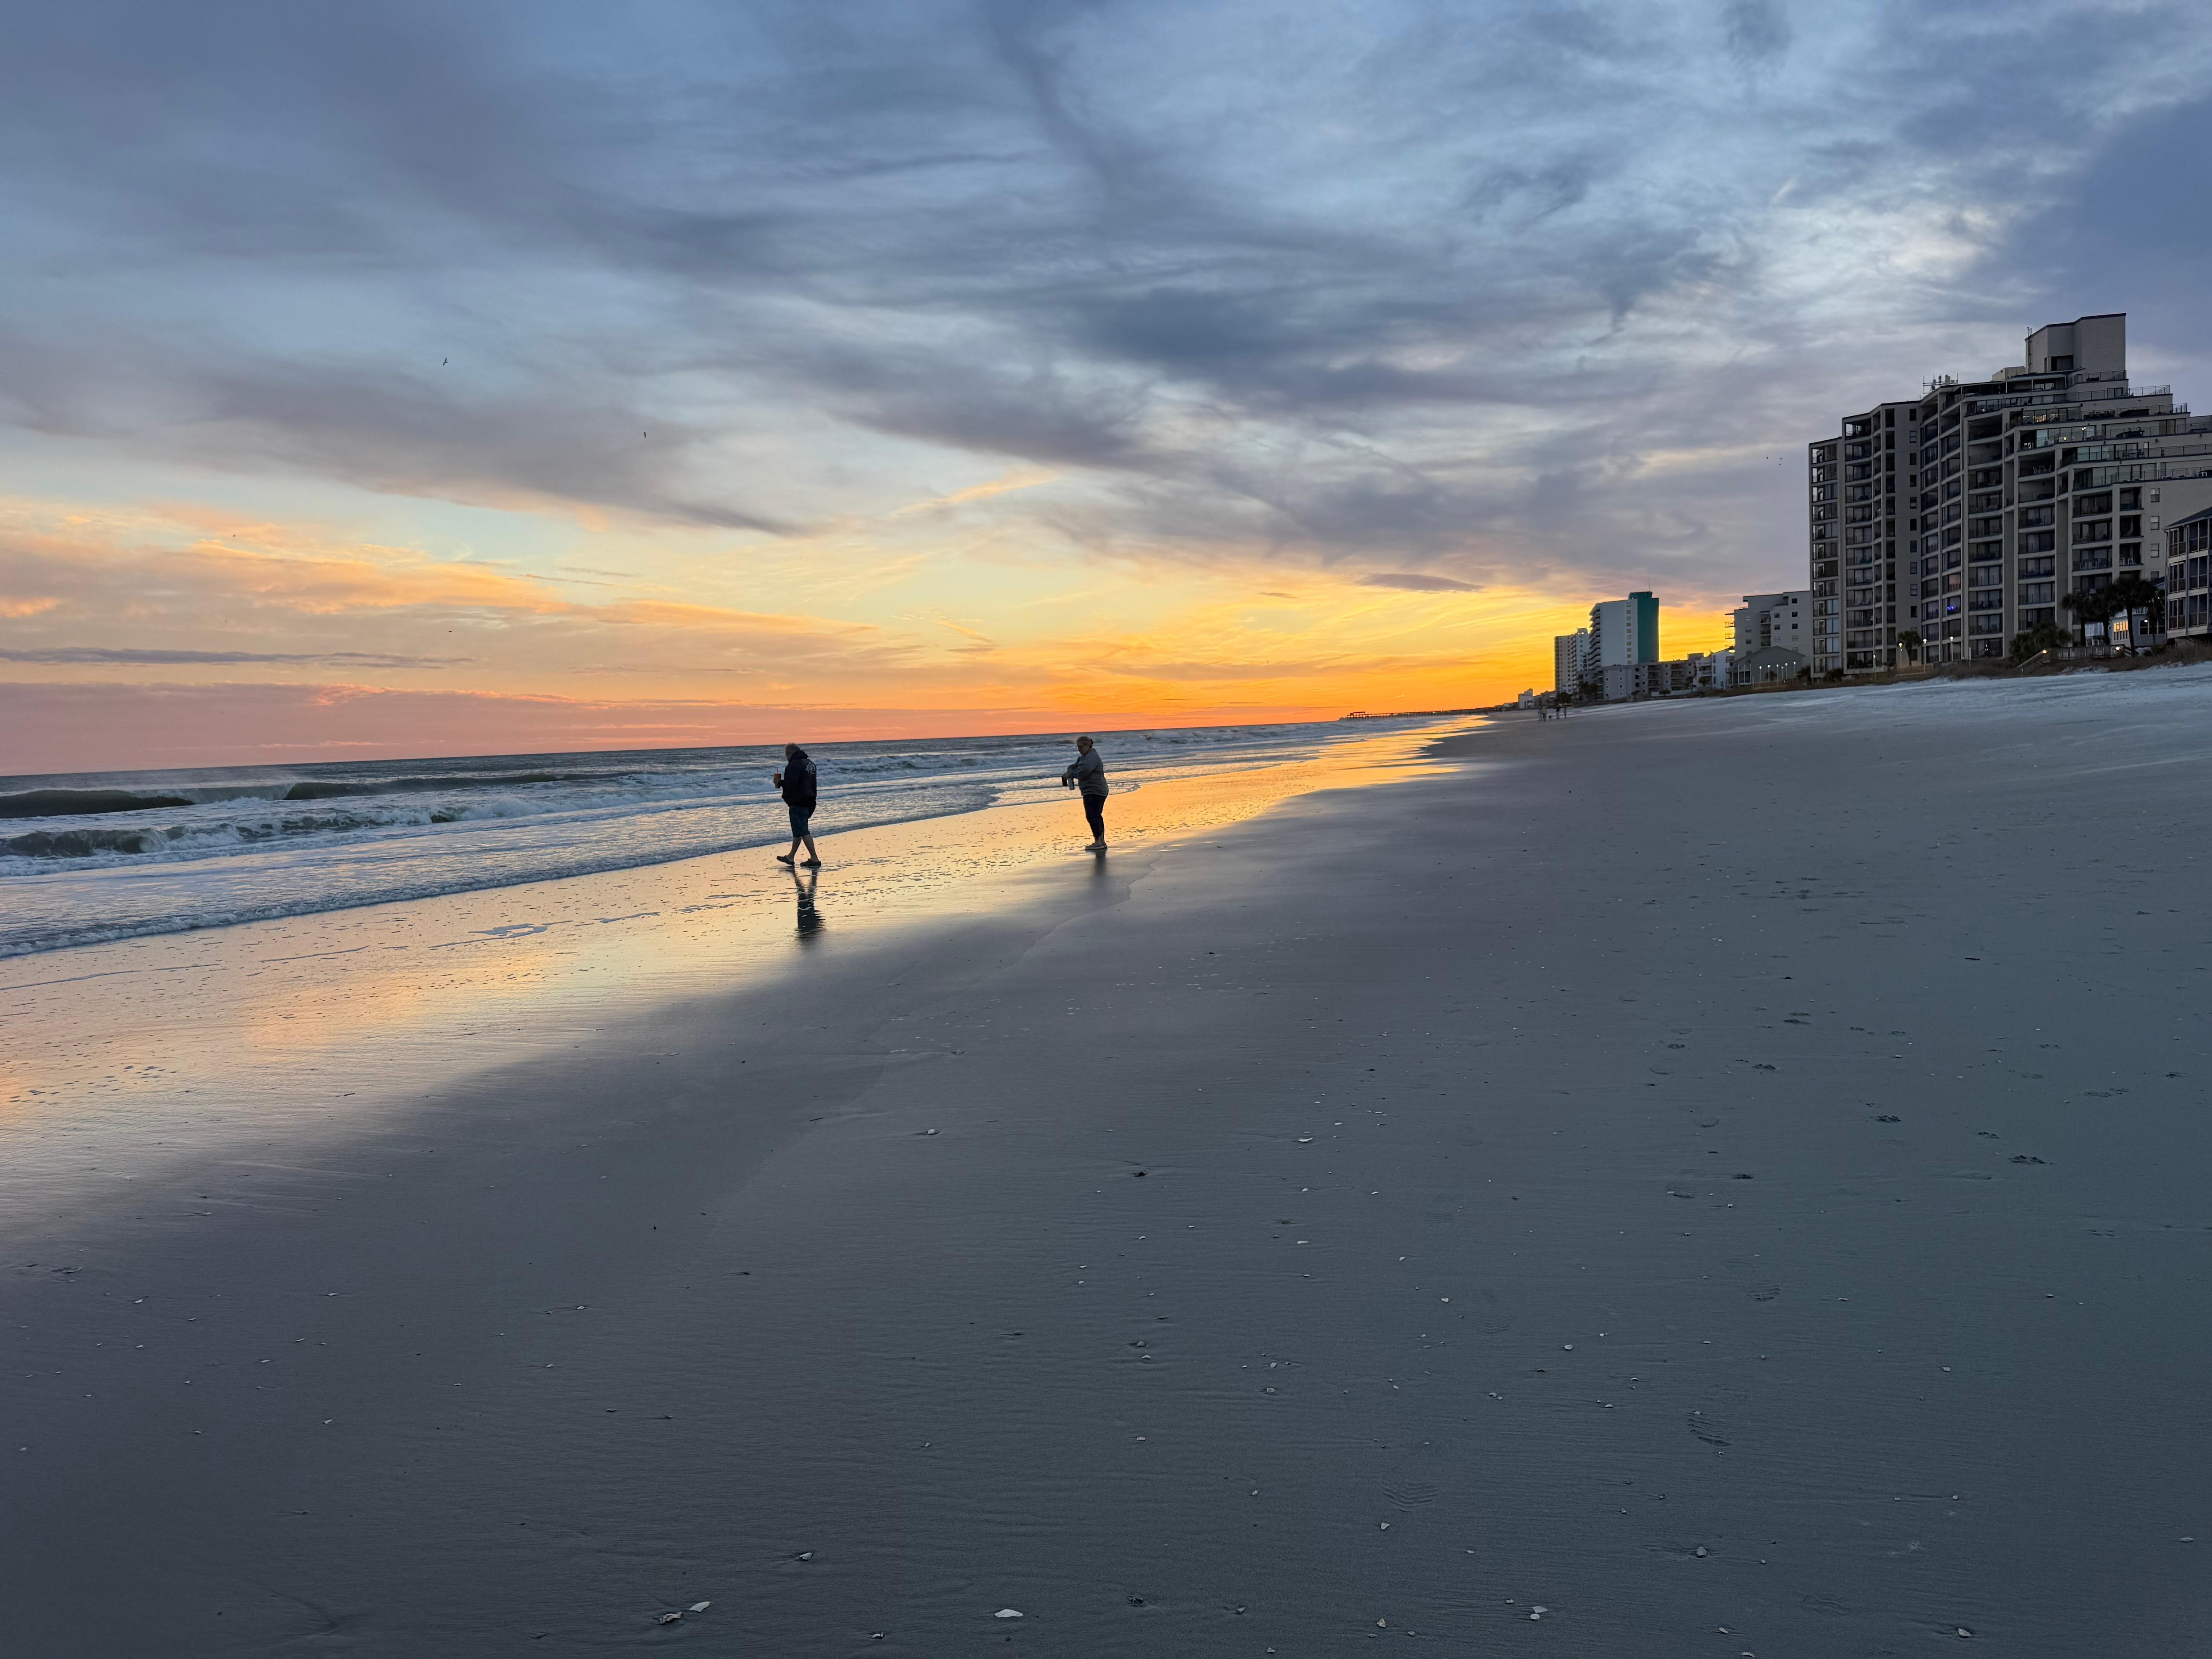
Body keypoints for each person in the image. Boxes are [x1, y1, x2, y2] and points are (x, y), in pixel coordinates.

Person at [774, 742, 820, 867]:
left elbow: (792, 784)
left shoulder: (794, 766)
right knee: (799, 831)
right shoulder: (810, 764)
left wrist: (780, 782)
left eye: (786, 755)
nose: (786, 757)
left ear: (789, 754)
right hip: (810, 801)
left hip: (799, 802)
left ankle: (815, 858)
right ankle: (791, 857)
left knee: (803, 831)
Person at [1060, 734, 1108, 851]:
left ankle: (1099, 841)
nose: (1080, 749)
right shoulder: (1085, 757)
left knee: (1092, 816)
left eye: (1082, 747)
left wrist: (1071, 774)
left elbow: (1084, 771)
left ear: (1088, 745)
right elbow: (1076, 765)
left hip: (1095, 790)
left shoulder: (1092, 757)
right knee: (1096, 815)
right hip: (1093, 790)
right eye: (1078, 748)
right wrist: (1070, 770)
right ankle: (1101, 840)